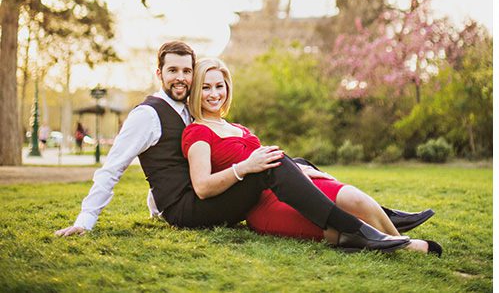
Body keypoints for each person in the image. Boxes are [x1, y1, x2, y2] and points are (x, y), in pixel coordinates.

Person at [55, 41, 418, 252]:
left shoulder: (185, 110)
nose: (181, 77)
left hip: (196, 201)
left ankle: (382, 214)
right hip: (191, 209)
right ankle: (356, 228)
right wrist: (85, 220)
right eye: (173, 71)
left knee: (287, 159)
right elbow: (113, 167)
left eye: (186, 71)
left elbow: (167, 167)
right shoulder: (146, 116)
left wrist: (154, 206)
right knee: (269, 165)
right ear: (159, 73)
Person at [183, 57, 442, 255]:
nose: (214, 93)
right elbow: (202, 187)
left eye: (219, 86)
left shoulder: (238, 128)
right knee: (334, 230)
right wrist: (245, 166)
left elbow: (272, 165)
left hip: (286, 186)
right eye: (206, 88)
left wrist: (298, 169)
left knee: (356, 198)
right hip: (260, 205)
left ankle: (389, 230)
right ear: (196, 92)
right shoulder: (197, 132)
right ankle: (407, 245)